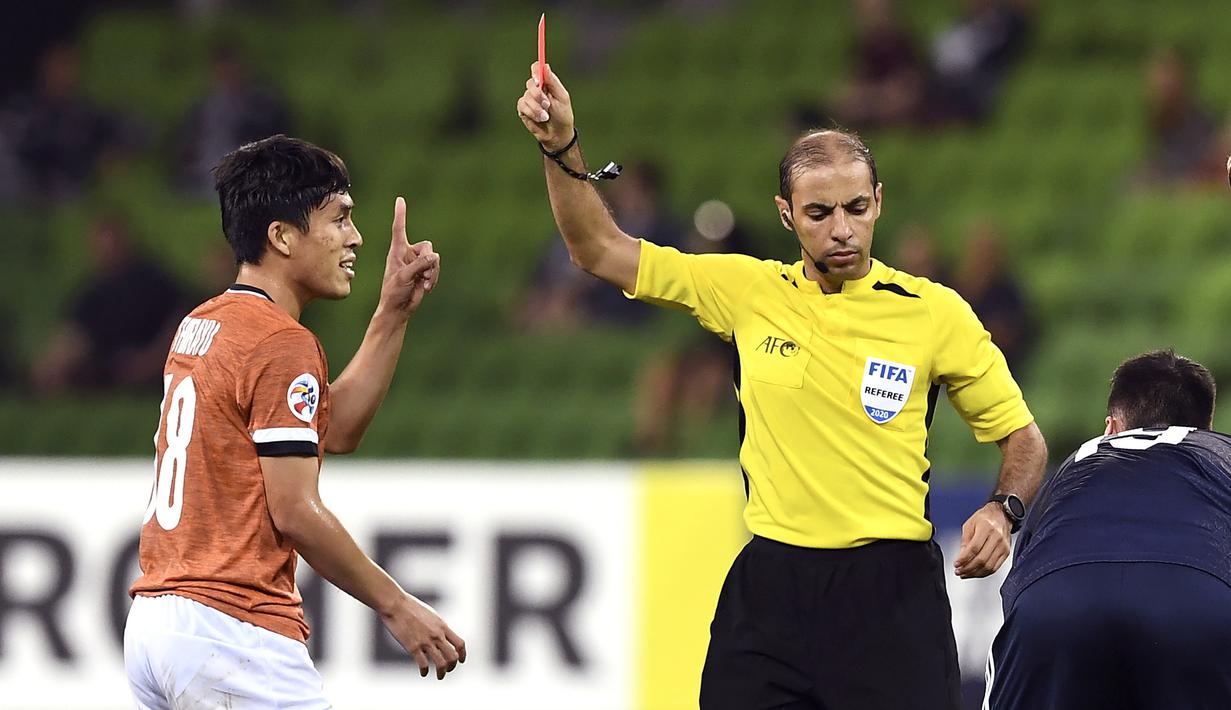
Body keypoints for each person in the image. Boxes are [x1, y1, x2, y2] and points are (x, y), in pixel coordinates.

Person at [516, 62, 1047, 710]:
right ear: (786, 214)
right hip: (770, 592)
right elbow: (596, 247)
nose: (842, 229)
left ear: (879, 199)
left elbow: (1022, 440)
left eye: (856, 207)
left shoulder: (934, 312)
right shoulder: (745, 290)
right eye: (819, 213)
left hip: (890, 597)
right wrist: (559, 144)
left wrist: (1004, 509)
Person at [124, 135, 464, 709]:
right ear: (281, 236)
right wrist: (396, 605)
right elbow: (295, 510)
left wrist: (392, 314)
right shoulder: (282, 343)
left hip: (157, 624)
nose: (355, 238)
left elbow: (334, 432)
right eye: (339, 219)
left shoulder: (203, 324)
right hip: (232, 629)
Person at [985, 349, 1231, 708]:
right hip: (1195, 597)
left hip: (1054, 603)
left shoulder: (1074, 466)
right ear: (1205, 429)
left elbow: (1022, 575)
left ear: (1110, 429)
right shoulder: (1220, 452)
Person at [31, 215, 190, 394]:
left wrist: (149, 360)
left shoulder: (155, 280)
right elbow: (75, 331)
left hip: (155, 364)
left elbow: (181, 320)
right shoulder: (95, 290)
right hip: (109, 368)